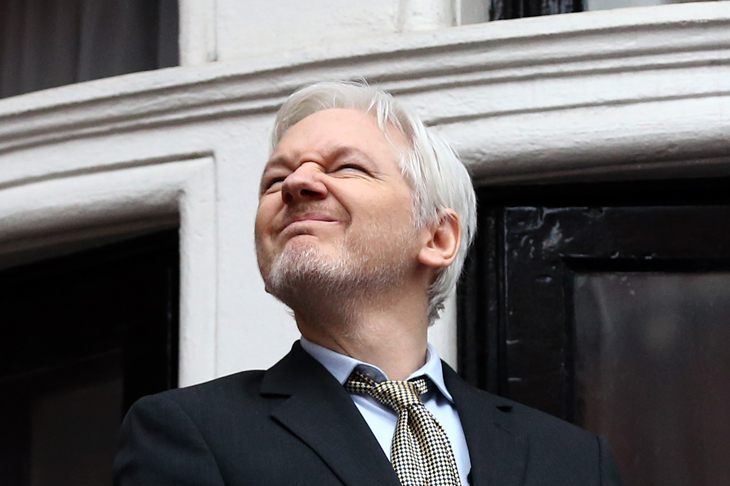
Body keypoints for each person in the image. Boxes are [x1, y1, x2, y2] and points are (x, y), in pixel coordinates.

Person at [114, 81, 623, 486]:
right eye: (275, 180)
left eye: (347, 167)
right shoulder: (191, 430)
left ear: (437, 237)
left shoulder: (575, 461)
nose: (296, 184)